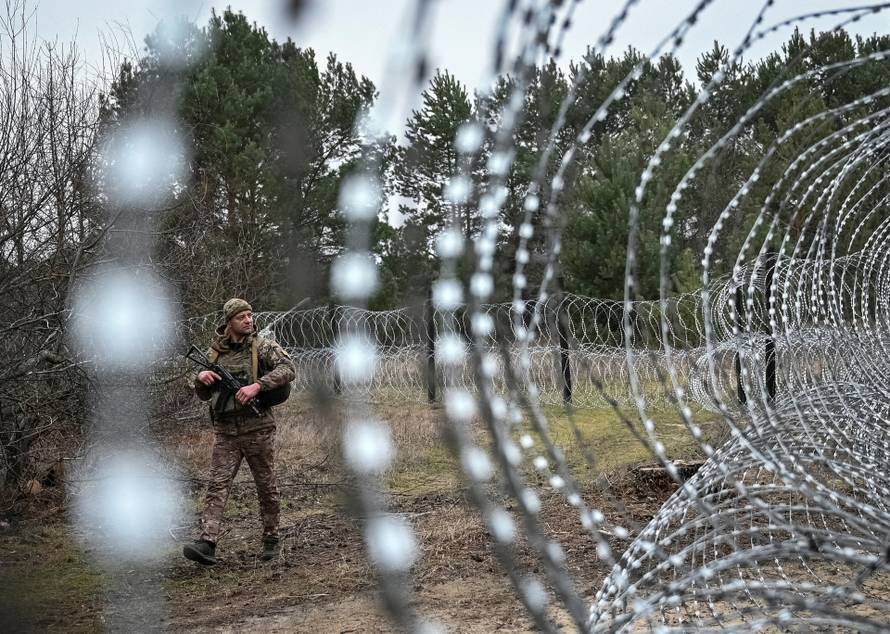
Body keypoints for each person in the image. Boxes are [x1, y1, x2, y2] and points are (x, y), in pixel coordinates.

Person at [183, 298, 296, 565]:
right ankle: (207, 542)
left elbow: (289, 369)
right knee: (217, 486)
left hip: (258, 427)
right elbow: (201, 391)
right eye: (241, 317)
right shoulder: (215, 353)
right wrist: (201, 379)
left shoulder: (263, 346)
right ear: (229, 322)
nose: (248, 320)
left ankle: (271, 538)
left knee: (266, 484)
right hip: (226, 430)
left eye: (250, 315)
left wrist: (257, 386)